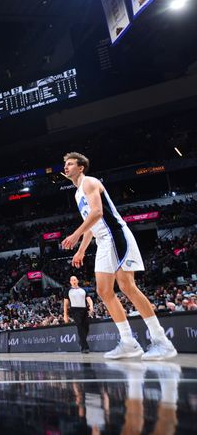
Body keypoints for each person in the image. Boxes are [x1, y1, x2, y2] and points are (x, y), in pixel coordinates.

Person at [61, 151, 177, 360]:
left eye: (70, 164)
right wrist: (81, 249)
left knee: (127, 286)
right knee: (104, 291)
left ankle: (161, 340)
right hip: (104, 240)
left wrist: (75, 235)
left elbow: (98, 213)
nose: (66, 167)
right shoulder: (78, 193)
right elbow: (92, 223)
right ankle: (128, 342)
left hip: (115, 236)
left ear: (81, 167)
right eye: (65, 164)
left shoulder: (89, 182)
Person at [63, 275, 93, 353]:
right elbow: (65, 303)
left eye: (75, 279)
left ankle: (81, 342)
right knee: (80, 327)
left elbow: (89, 299)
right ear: (70, 282)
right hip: (75, 310)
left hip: (84, 309)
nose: (74, 281)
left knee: (86, 328)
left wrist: (91, 306)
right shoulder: (68, 291)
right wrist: (65, 315)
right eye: (72, 280)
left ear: (77, 281)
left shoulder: (83, 290)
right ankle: (85, 347)